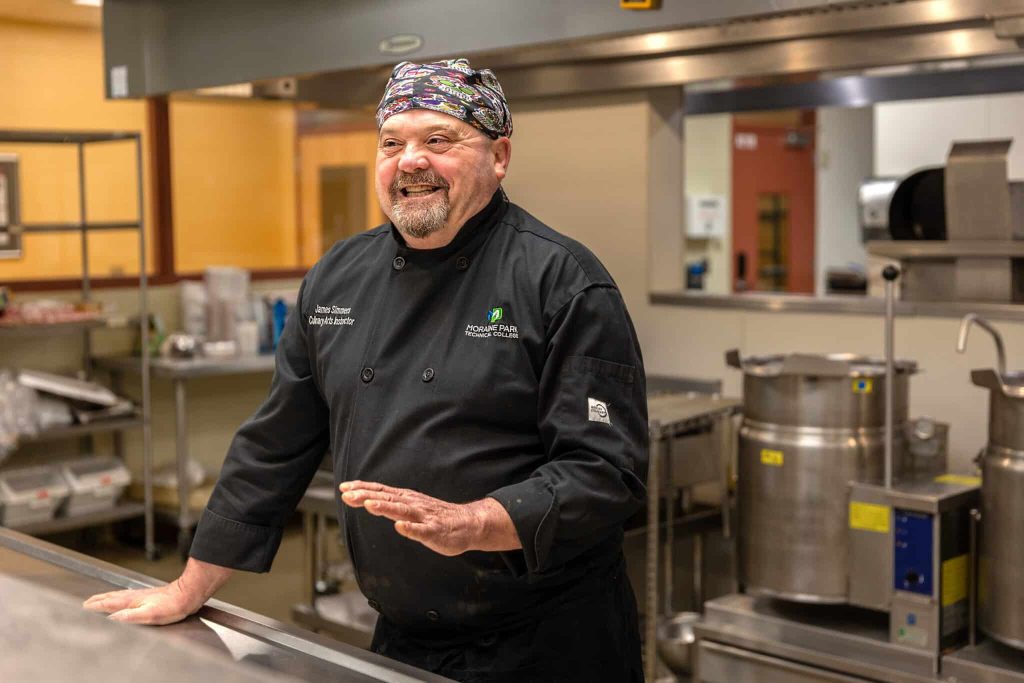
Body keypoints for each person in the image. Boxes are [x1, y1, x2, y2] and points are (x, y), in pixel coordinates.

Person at [84, 58, 648, 683]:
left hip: (549, 645)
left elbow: (606, 473)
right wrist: (190, 587)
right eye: (391, 143)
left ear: (500, 156)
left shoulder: (562, 282)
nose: (410, 161)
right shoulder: (338, 277)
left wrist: (475, 522)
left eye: (439, 139)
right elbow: (274, 447)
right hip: (402, 641)